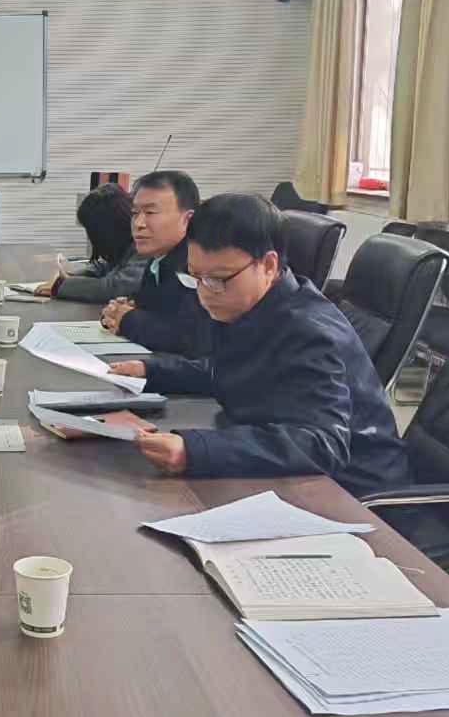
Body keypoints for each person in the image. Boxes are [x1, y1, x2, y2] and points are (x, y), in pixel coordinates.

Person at [110, 193, 411, 497]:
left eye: (218, 279)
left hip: (352, 494)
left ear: (268, 265)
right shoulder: (245, 304)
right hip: (281, 467)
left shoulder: (309, 333)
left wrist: (196, 450)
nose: (204, 293)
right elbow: (229, 370)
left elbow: (323, 444)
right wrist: (150, 372)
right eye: (195, 277)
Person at [99, 169, 209, 356]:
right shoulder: (158, 259)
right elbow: (151, 311)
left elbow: (190, 336)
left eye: (150, 212)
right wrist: (117, 312)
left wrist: (127, 319)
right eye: (135, 213)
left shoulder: (199, 265)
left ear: (187, 219)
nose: (138, 223)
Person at [41, 184, 147, 303]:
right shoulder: (125, 243)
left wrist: (61, 286)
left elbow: (115, 287)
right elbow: (106, 266)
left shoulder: (145, 245)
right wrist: (70, 276)